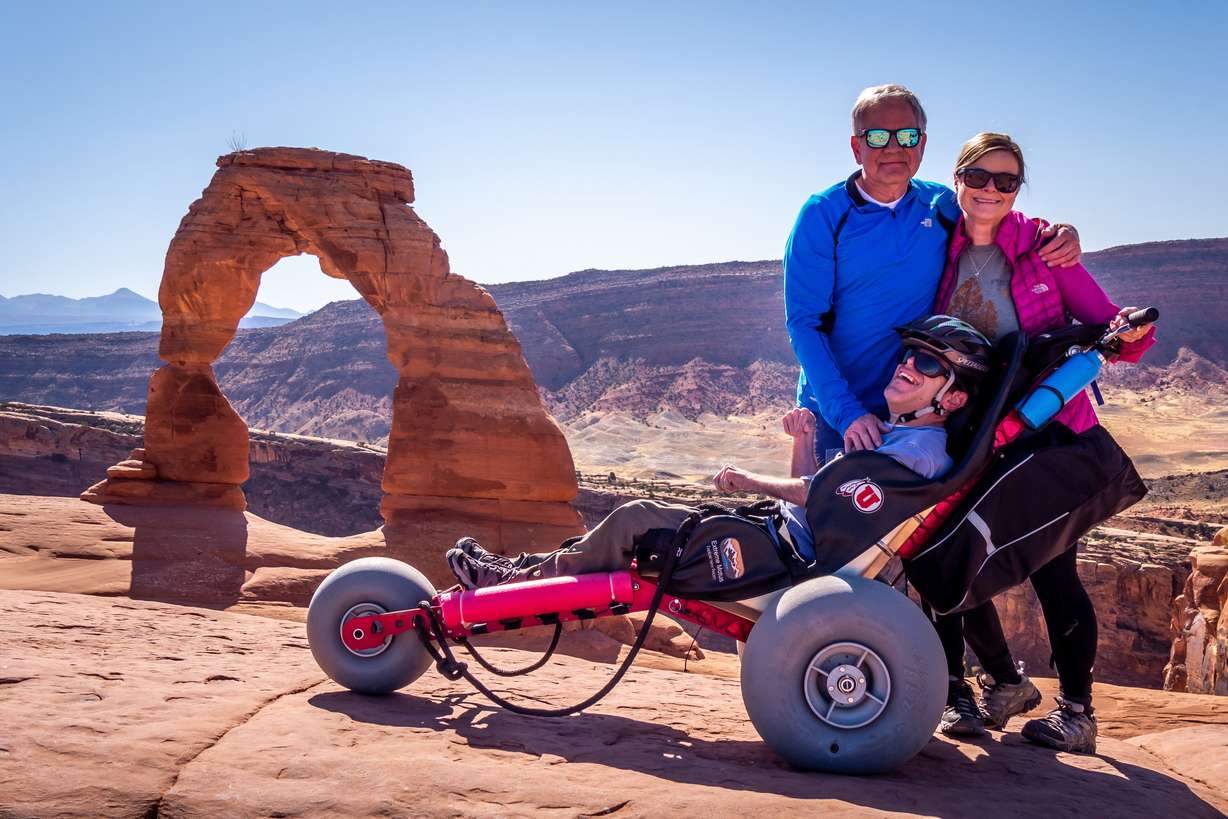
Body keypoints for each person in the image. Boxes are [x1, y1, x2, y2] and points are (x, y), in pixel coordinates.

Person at [447, 316, 993, 590]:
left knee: (636, 519)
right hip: (779, 535)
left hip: (781, 557)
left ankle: (514, 583)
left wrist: (749, 481)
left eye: (928, 366)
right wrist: (803, 440)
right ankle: (523, 571)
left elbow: (817, 494)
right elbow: (816, 499)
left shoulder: (919, 452)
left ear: (955, 396)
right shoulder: (899, 438)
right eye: (907, 355)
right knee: (637, 527)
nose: (906, 366)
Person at [929, 132, 1156, 753]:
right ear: (958, 178)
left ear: (1019, 190)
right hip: (968, 432)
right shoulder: (936, 243)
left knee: (1055, 569)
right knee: (941, 553)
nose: (991, 192)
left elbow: (1121, 331)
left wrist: (1127, 332)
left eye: (1007, 181)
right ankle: (965, 699)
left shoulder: (1042, 249)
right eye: (979, 177)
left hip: (1047, 431)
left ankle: (1077, 714)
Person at [783, 84, 1081, 474]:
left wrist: (1060, 231)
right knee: (822, 524)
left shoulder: (940, 205)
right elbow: (805, 324)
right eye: (877, 137)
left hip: (920, 413)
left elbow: (1002, 224)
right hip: (840, 410)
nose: (893, 147)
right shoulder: (824, 215)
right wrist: (848, 414)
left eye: (906, 136)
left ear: (921, 144)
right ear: (857, 147)